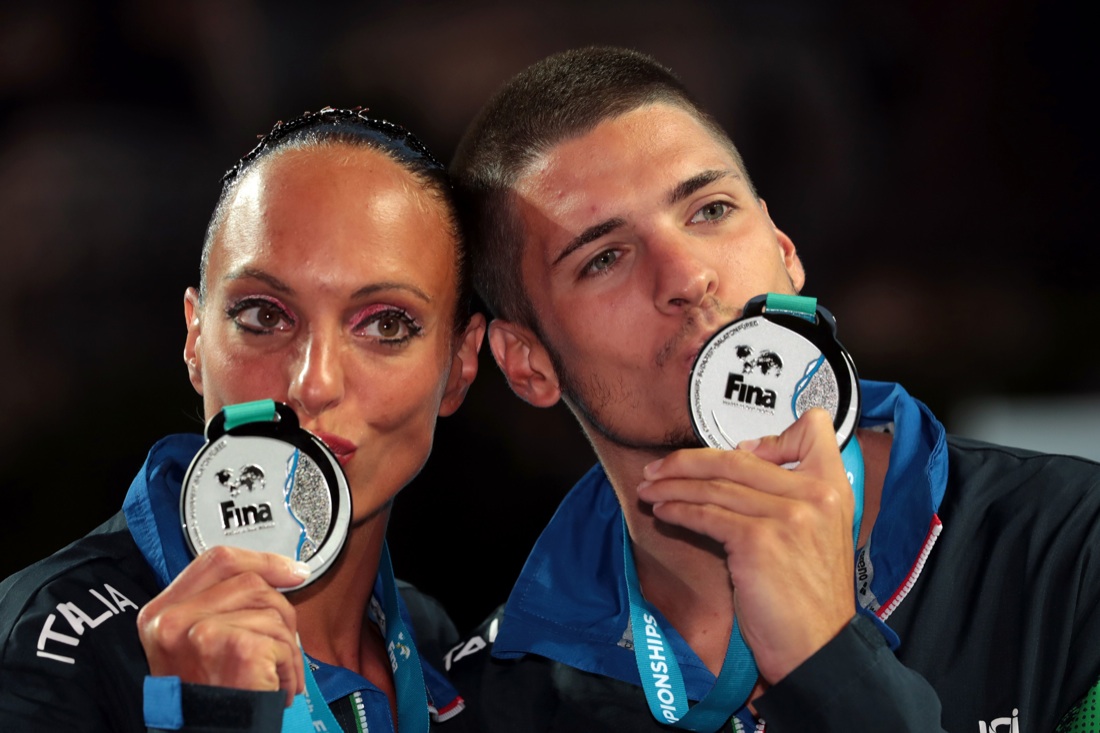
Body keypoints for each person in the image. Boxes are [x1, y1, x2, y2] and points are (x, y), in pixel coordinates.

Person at [443, 46, 1100, 732]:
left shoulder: (1074, 549)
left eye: (710, 210)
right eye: (604, 257)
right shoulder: (496, 702)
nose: (687, 275)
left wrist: (827, 659)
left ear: (783, 251)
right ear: (527, 362)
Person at [0, 107, 485, 732]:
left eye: (386, 324)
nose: (314, 383)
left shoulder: (434, 643)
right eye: (263, 316)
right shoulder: (42, 646)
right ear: (195, 340)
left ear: (461, 364)